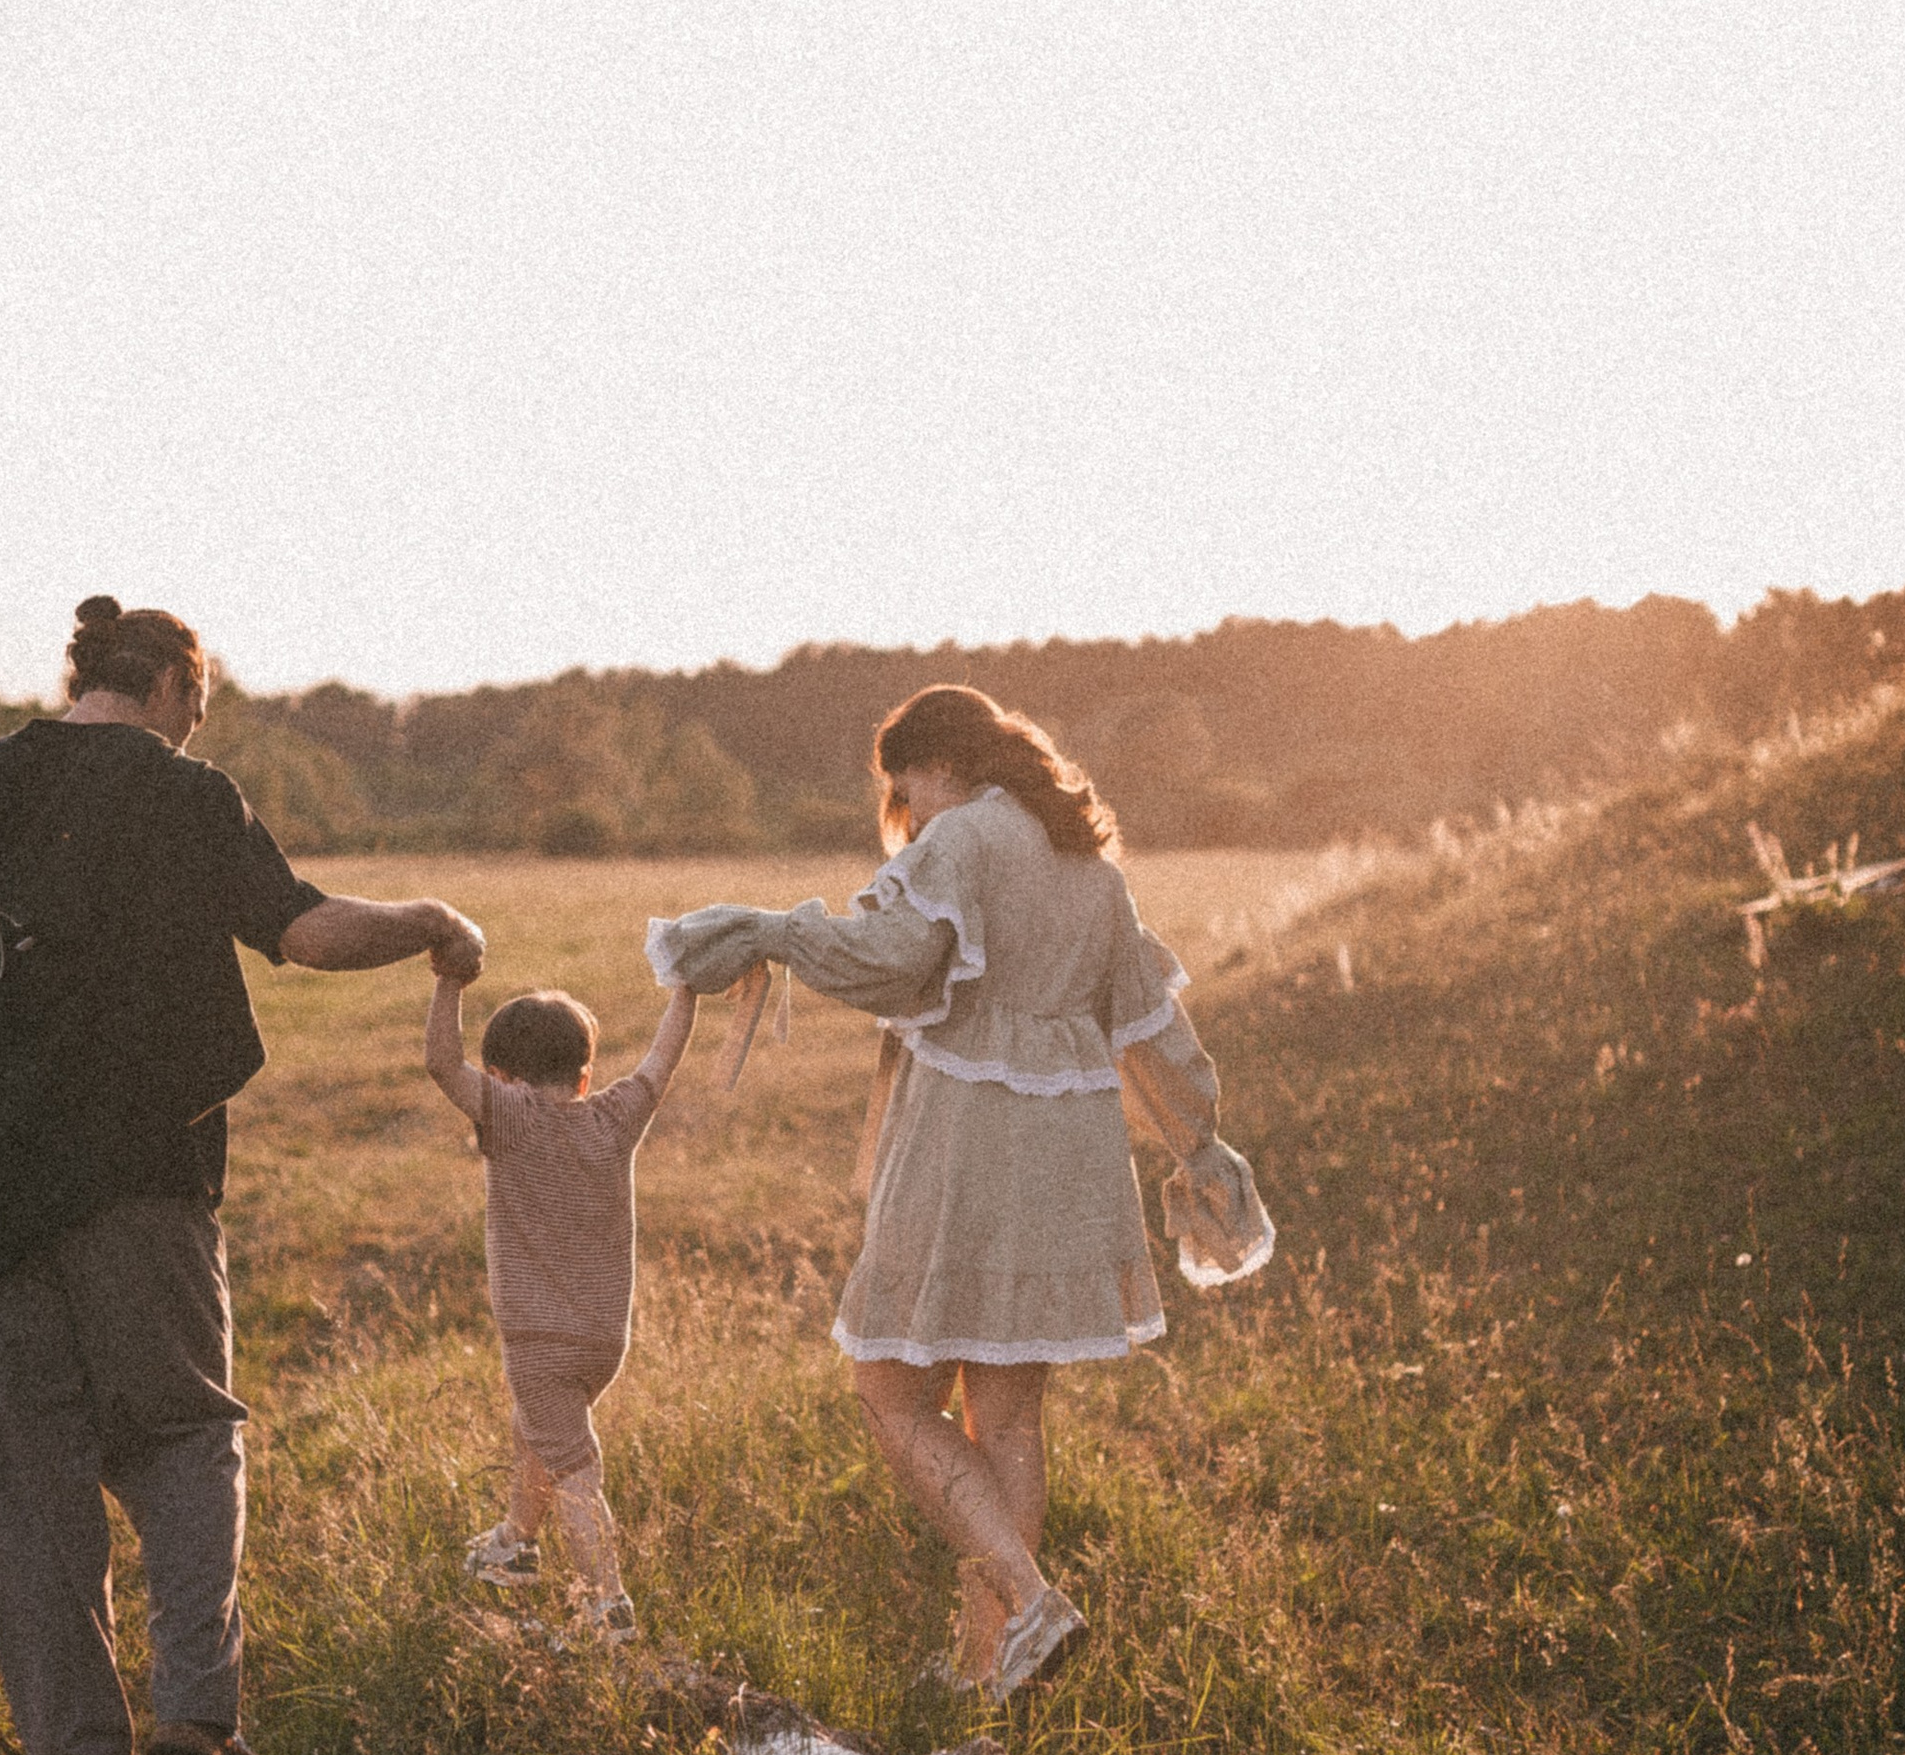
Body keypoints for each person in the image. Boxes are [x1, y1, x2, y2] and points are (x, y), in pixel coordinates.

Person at [0, 595, 485, 1755]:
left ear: (83, 674)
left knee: (31, 1480)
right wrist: (434, 926)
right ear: (179, 690)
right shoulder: (190, 796)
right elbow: (305, 930)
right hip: (149, 1176)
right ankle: (196, 1706)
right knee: (187, 1437)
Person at [645, 684, 1272, 1702]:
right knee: (1007, 1422)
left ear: (937, 764)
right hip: (1068, 1151)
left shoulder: (966, 838)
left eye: (905, 789)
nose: (909, 813)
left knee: (889, 1392)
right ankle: (992, 1672)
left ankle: (1027, 1603)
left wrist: (774, 932)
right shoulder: (1086, 862)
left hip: (970, 1141)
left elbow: (890, 959)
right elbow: (1148, 1029)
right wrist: (1195, 1138)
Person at [423, 972, 699, 1639]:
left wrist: (449, 980)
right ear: (583, 1078)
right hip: (604, 1339)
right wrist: (686, 989)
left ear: (500, 1076)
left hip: (538, 1342)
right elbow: (660, 1063)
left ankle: (606, 1602)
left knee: (576, 1466)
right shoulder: (612, 1118)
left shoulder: (508, 1114)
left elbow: (438, 1061)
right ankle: (516, 1542)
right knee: (536, 1430)